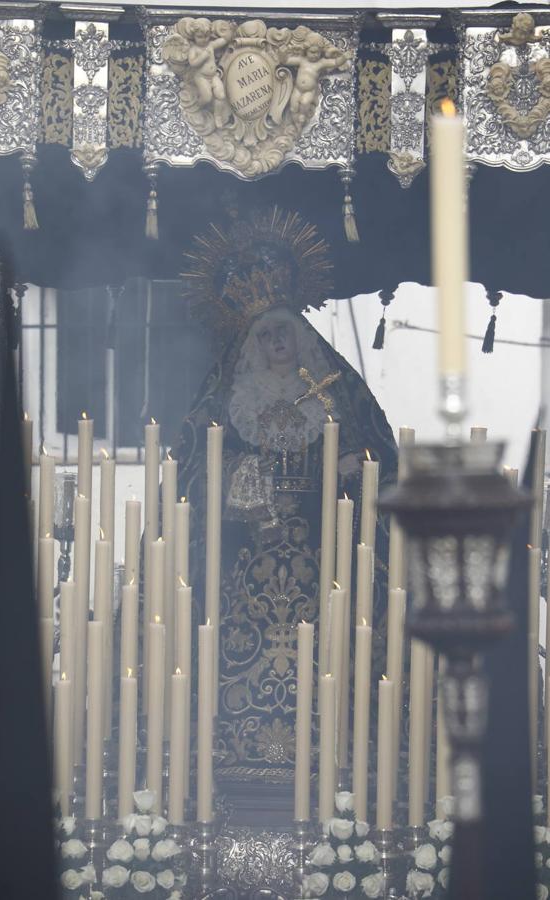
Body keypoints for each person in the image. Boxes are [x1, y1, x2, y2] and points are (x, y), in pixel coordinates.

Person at [176, 208, 397, 788]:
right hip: (246, 551)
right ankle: (234, 746)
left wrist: (349, 466)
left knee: (328, 638)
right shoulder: (231, 397)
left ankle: (331, 741)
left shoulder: (332, 391)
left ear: (300, 333)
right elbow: (191, 464)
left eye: (284, 331)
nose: (277, 343)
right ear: (251, 342)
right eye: (265, 335)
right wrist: (236, 473)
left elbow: (378, 455)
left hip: (321, 546)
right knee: (228, 631)